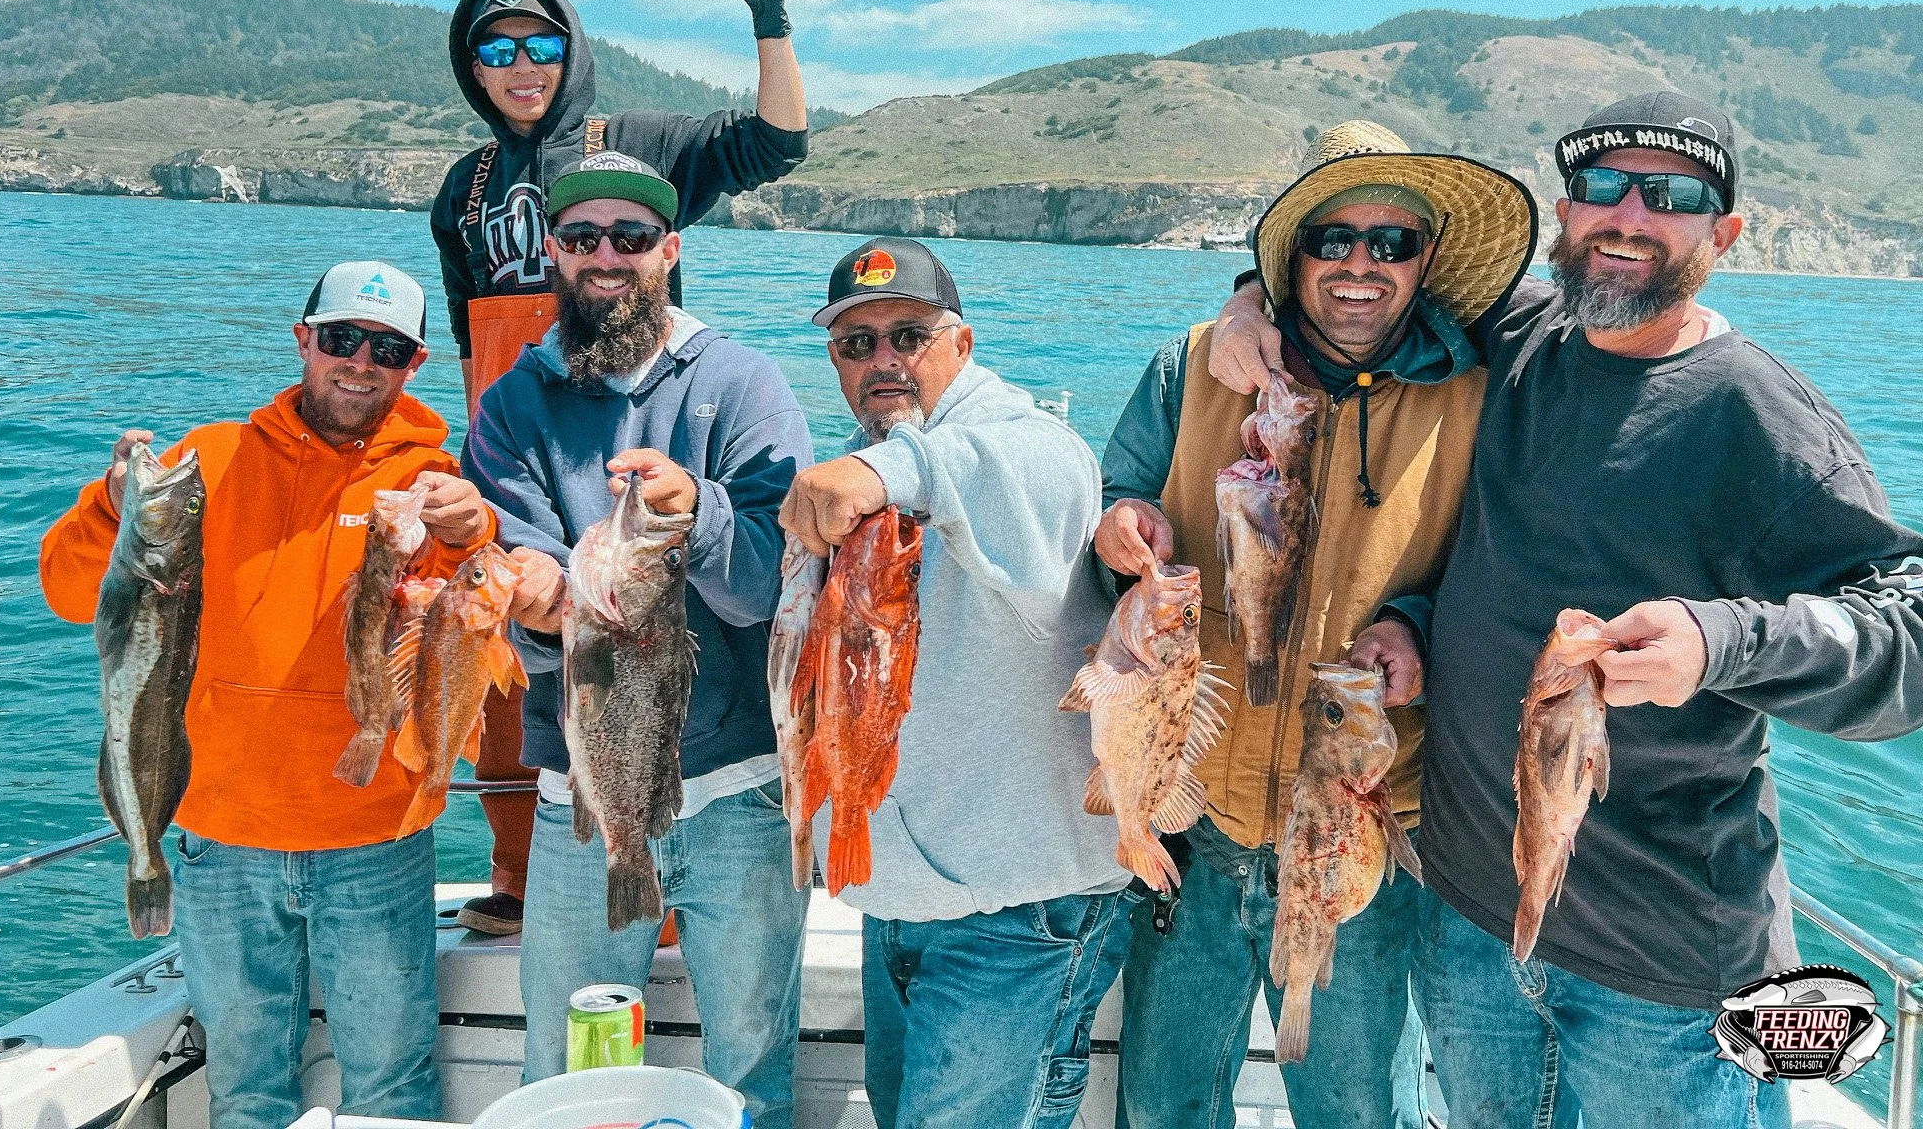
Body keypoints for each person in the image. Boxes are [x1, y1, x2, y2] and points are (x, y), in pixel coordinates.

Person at [1207, 92, 1923, 1127]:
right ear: (1564, 214)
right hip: (1468, 926)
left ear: (1724, 233)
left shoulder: (1762, 419)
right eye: (1601, 187)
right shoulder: (1525, 338)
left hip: (1663, 970)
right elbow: (1364, 278)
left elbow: (1905, 632)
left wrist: (1717, 643)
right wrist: (1248, 301)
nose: (1628, 215)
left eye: (1671, 195)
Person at [1096, 122, 1536, 1129]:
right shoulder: (1194, 364)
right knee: (1162, 1105)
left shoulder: (1480, 397)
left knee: (1356, 1109)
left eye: (1393, 243)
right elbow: (1119, 495)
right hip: (1195, 821)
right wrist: (1121, 531)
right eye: (1332, 237)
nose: (1360, 265)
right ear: (1291, 253)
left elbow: (1503, 575)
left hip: (1361, 825)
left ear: (1426, 261)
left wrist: (1418, 630)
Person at [39, 262, 497, 1129]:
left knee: (392, 1088)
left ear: (415, 364)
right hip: (218, 837)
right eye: (341, 339)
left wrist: (474, 530)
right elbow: (70, 592)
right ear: (303, 340)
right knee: (244, 1088)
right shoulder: (205, 460)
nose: (360, 362)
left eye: (387, 348)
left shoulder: (432, 483)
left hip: (374, 836)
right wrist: (109, 504)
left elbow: (466, 632)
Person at [432, 0, 810, 935]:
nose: (521, 65)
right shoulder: (458, 192)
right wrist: (474, 466)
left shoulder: (630, 142)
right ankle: (522, 876)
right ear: (472, 67)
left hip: (624, 414)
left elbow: (775, 145)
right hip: (519, 430)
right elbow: (469, 332)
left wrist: (770, 22)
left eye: (541, 43)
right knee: (512, 694)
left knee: (643, 654)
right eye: (495, 49)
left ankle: (672, 880)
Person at [460, 154, 813, 1124]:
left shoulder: (743, 384)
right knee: (563, 1072)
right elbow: (524, 570)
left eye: (630, 237)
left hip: (743, 792)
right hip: (586, 796)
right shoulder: (512, 408)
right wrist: (529, 594)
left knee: (752, 1069)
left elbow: (775, 587)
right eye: (582, 238)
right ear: (552, 255)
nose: (605, 256)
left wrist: (696, 513)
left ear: (671, 250)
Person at [778, 237, 1133, 1129]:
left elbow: (1045, 476)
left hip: (1017, 916)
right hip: (898, 896)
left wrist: (883, 468)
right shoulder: (872, 463)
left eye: (909, 334)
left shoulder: (1021, 444)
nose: (883, 360)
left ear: (962, 346)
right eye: (857, 345)